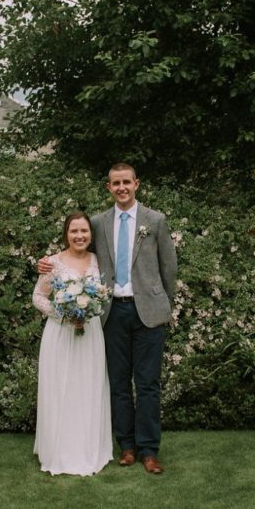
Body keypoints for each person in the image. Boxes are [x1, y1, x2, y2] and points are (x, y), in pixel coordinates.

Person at [39, 163, 178, 474]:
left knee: (148, 384)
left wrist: (163, 305)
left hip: (149, 312)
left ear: (136, 184)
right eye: (116, 183)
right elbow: (75, 254)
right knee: (118, 383)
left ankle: (149, 450)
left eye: (126, 182)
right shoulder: (98, 223)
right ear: (109, 187)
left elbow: (169, 268)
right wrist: (46, 265)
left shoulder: (155, 220)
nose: (122, 188)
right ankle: (126, 446)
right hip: (111, 312)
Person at [32, 212, 113, 476]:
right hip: (61, 333)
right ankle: (59, 450)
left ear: (91, 234)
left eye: (84, 231)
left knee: (88, 388)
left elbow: (103, 293)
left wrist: (89, 311)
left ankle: (87, 449)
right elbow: (38, 297)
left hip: (90, 334)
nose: (79, 236)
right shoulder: (52, 263)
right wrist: (63, 314)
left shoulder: (99, 261)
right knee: (61, 388)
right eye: (74, 231)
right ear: (66, 234)